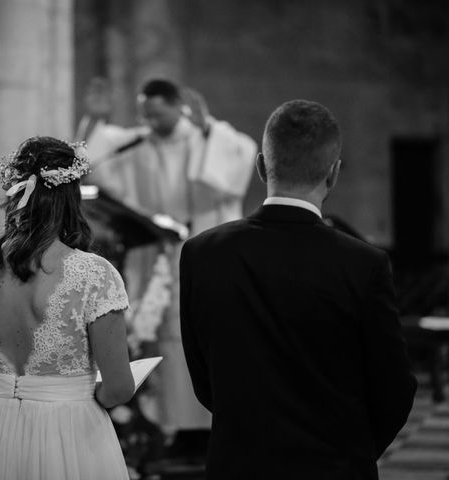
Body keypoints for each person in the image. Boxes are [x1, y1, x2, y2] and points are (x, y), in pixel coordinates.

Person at [179, 99, 418, 479]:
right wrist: (351, 451)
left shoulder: (201, 253)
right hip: (335, 465)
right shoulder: (363, 264)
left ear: (260, 166)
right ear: (334, 174)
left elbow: (204, 379)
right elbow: (395, 388)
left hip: (239, 465)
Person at [78, 77, 257, 453]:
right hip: (159, 252)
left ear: (179, 107)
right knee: (164, 338)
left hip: (207, 249)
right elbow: (92, 164)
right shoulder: (141, 144)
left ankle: (212, 426)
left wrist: (207, 131)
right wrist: (93, 122)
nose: (152, 123)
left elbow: (238, 162)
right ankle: (172, 426)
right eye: (146, 115)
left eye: (158, 114)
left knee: (207, 333)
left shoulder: (208, 136)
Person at [0, 136, 134, 480]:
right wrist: (80, 392)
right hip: (70, 432)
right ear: (71, 196)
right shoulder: (93, 274)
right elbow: (119, 389)